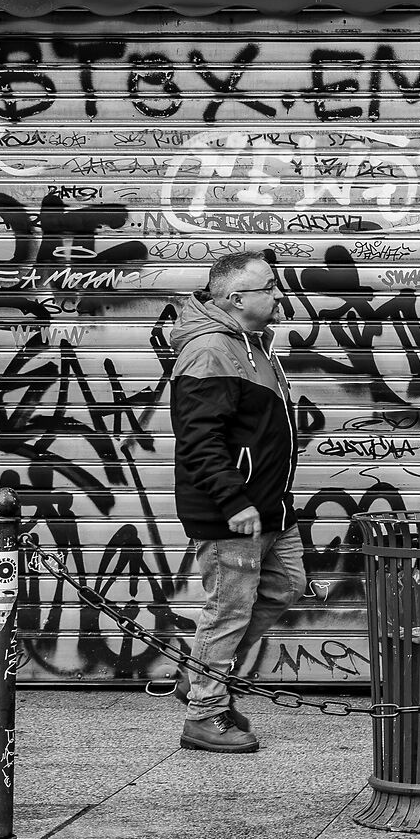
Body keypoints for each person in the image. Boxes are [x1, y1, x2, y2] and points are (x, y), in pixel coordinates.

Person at [169, 248, 304, 755]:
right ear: (235, 297)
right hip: (234, 512)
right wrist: (234, 501)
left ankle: (202, 674)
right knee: (228, 610)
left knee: (286, 586)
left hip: (269, 506)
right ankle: (204, 713)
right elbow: (200, 439)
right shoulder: (210, 349)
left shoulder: (254, 345)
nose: (277, 293)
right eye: (268, 287)